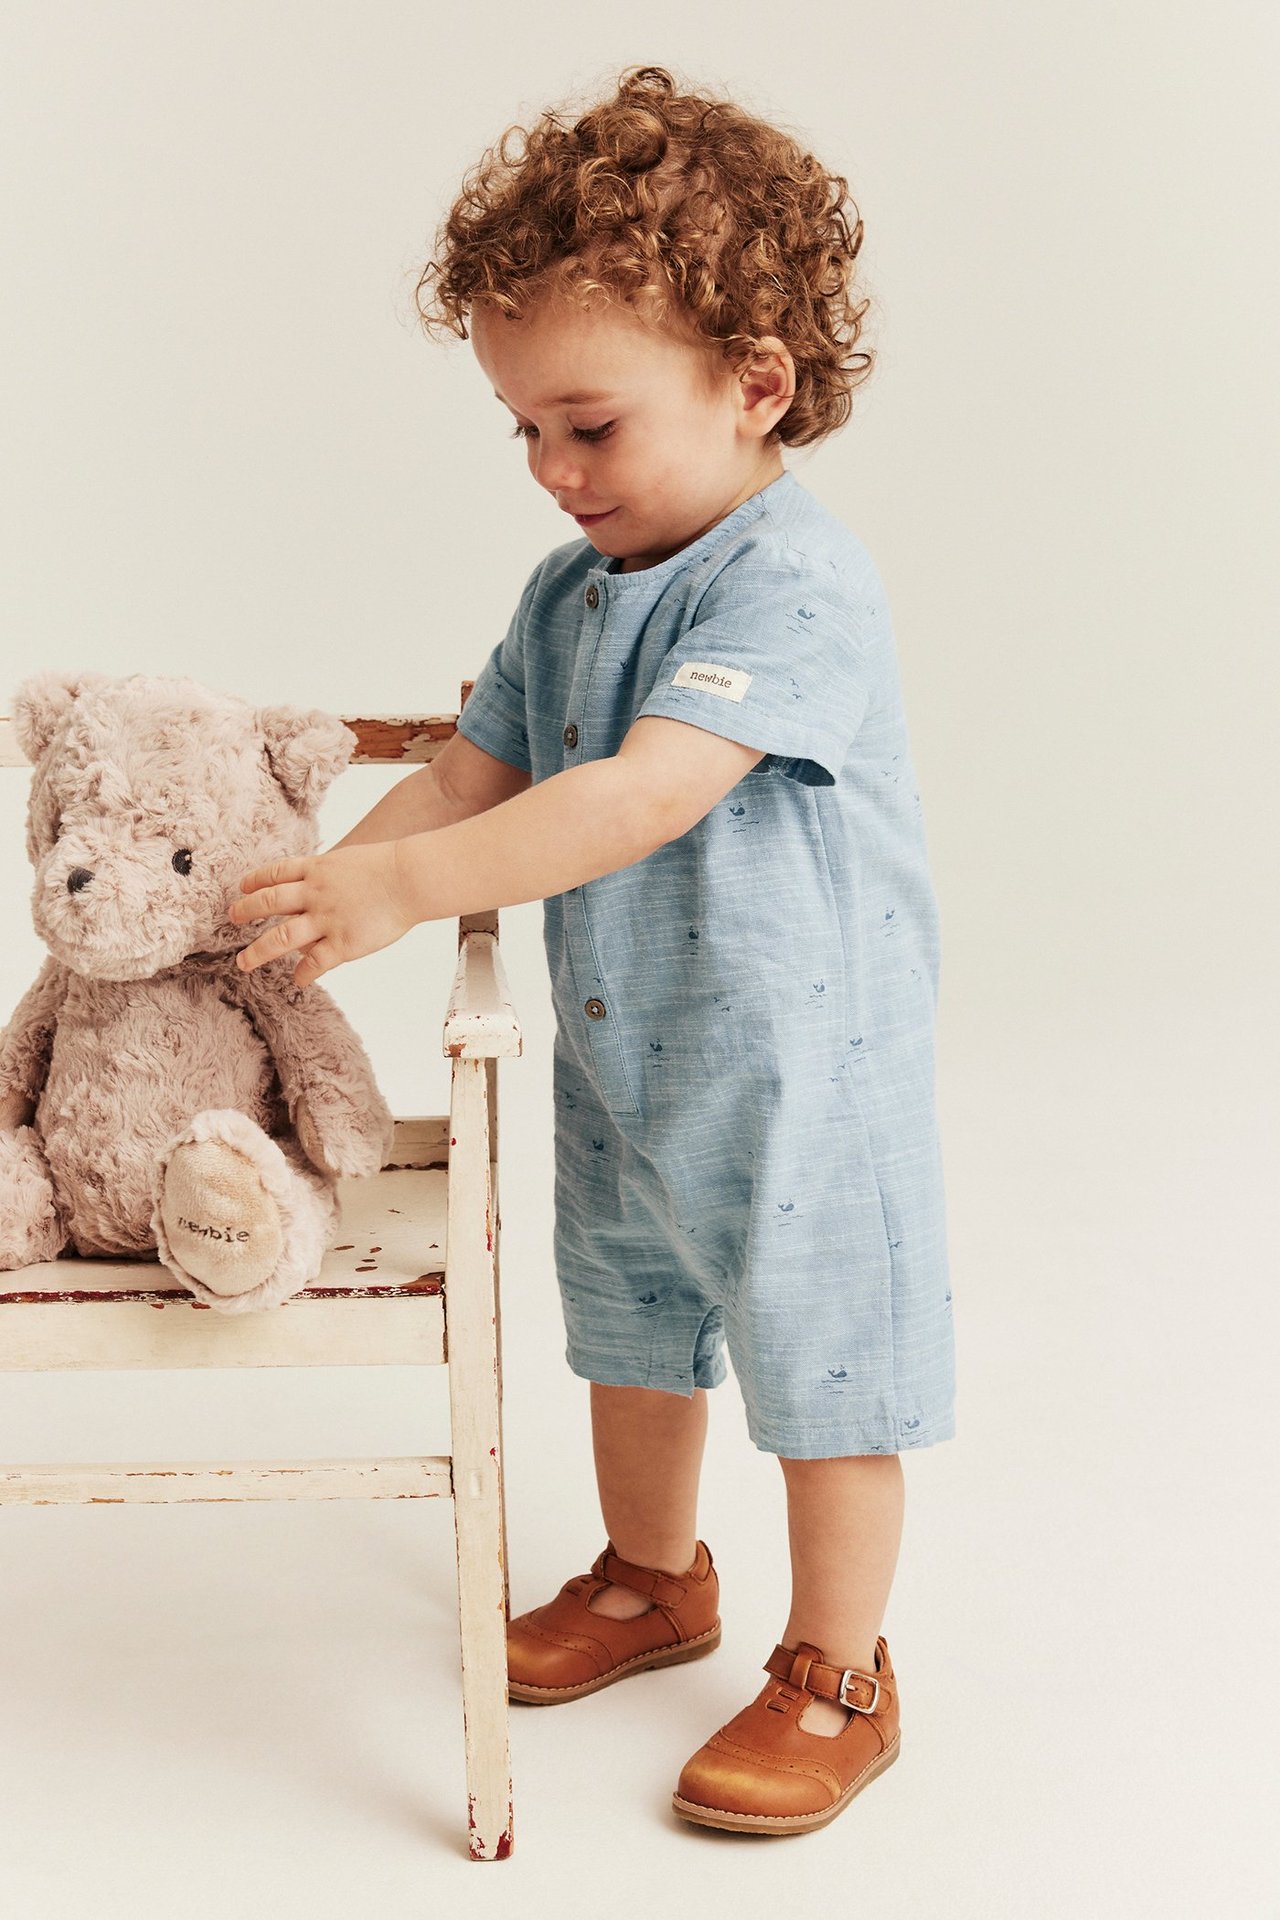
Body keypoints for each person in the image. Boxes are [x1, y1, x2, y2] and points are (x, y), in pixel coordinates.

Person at [228, 63, 956, 1837]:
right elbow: (483, 761)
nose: (554, 472)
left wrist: (413, 898)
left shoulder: (793, 583)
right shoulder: (571, 592)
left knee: (817, 1356)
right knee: (631, 1324)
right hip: (630, 1048)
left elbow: (635, 797)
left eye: (591, 425)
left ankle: (842, 1666)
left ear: (755, 383)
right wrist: (322, 900)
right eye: (525, 433)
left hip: (799, 1069)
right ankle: (654, 1576)